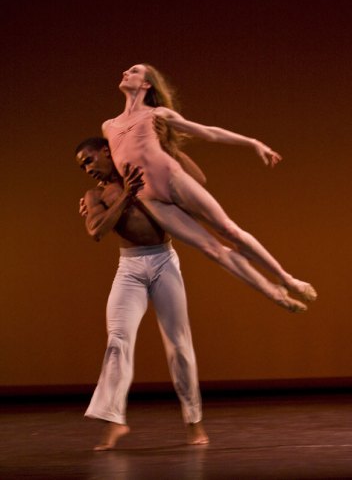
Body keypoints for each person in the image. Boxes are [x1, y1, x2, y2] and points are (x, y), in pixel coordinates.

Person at [102, 63, 317, 314]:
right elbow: (115, 165)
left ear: (147, 83)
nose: (126, 73)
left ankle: (287, 279)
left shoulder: (157, 114)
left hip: (171, 178)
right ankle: (276, 295)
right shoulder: (109, 126)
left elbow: (208, 133)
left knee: (229, 230)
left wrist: (252, 142)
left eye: (134, 71)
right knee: (212, 250)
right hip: (149, 197)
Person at [75, 137, 209, 450]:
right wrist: (125, 197)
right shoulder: (96, 195)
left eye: (89, 160)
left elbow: (199, 181)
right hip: (130, 269)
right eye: (82, 166)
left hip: (164, 260)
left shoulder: (145, 174)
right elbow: (96, 231)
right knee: (118, 341)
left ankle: (194, 421)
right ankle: (113, 423)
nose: (87, 169)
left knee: (179, 344)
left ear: (106, 151)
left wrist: (163, 146)